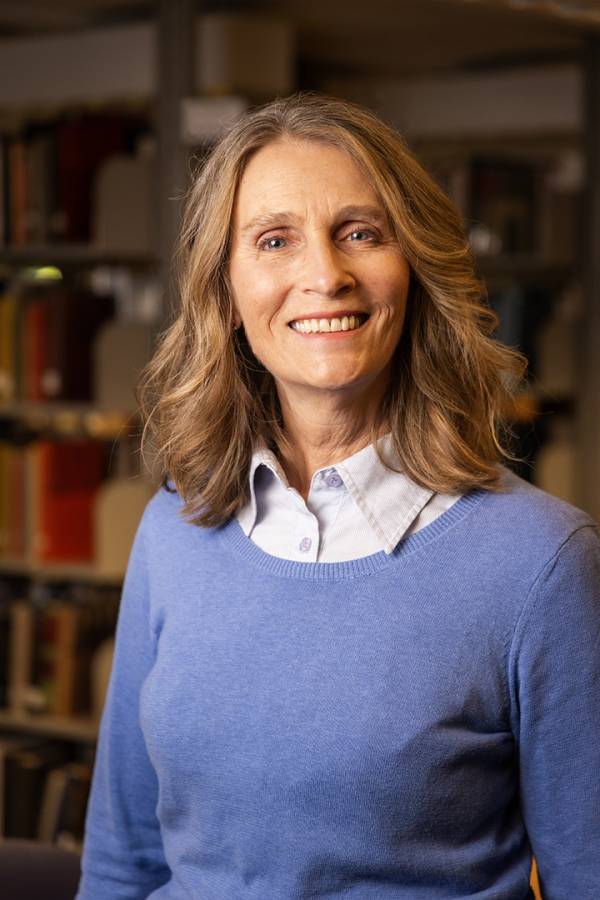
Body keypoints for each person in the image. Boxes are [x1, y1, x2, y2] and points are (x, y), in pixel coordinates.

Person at [76, 92, 600, 899]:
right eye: (275, 240)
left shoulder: (541, 562)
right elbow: (123, 863)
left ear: (415, 267)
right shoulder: (173, 529)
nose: (324, 275)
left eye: (361, 232)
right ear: (226, 288)